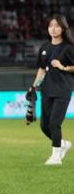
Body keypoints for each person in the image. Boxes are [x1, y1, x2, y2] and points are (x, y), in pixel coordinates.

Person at [29, 14, 74, 165]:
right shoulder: (44, 47)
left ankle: (56, 157)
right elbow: (42, 70)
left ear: (63, 28)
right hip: (47, 89)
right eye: (51, 26)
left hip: (63, 89)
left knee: (55, 123)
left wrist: (63, 67)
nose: (53, 29)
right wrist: (34, 86)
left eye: (57, 26)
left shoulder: (69, 48)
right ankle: (62, 144)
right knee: (44, 126)